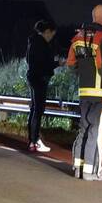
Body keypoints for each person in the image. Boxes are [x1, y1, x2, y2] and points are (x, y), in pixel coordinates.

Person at [66, 4, 102, 181]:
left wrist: (84, 77)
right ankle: (93, 171)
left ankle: (79, 168)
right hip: (100, 93)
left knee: (84, 128)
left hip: (84, 92)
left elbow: (70, 64)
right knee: (96, 132)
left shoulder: (77, 37)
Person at [25, 19, 58, 152]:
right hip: (39, 78)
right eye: (52, 35)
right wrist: (57, 63)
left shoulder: (33, 42)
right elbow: (44, 63)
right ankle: (35, 141)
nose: (51, 38)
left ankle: (32, 141)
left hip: (34, 77)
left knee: (34, 109)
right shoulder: (41, 43)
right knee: (38, 110)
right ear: (47, 32)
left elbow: (31, 60)